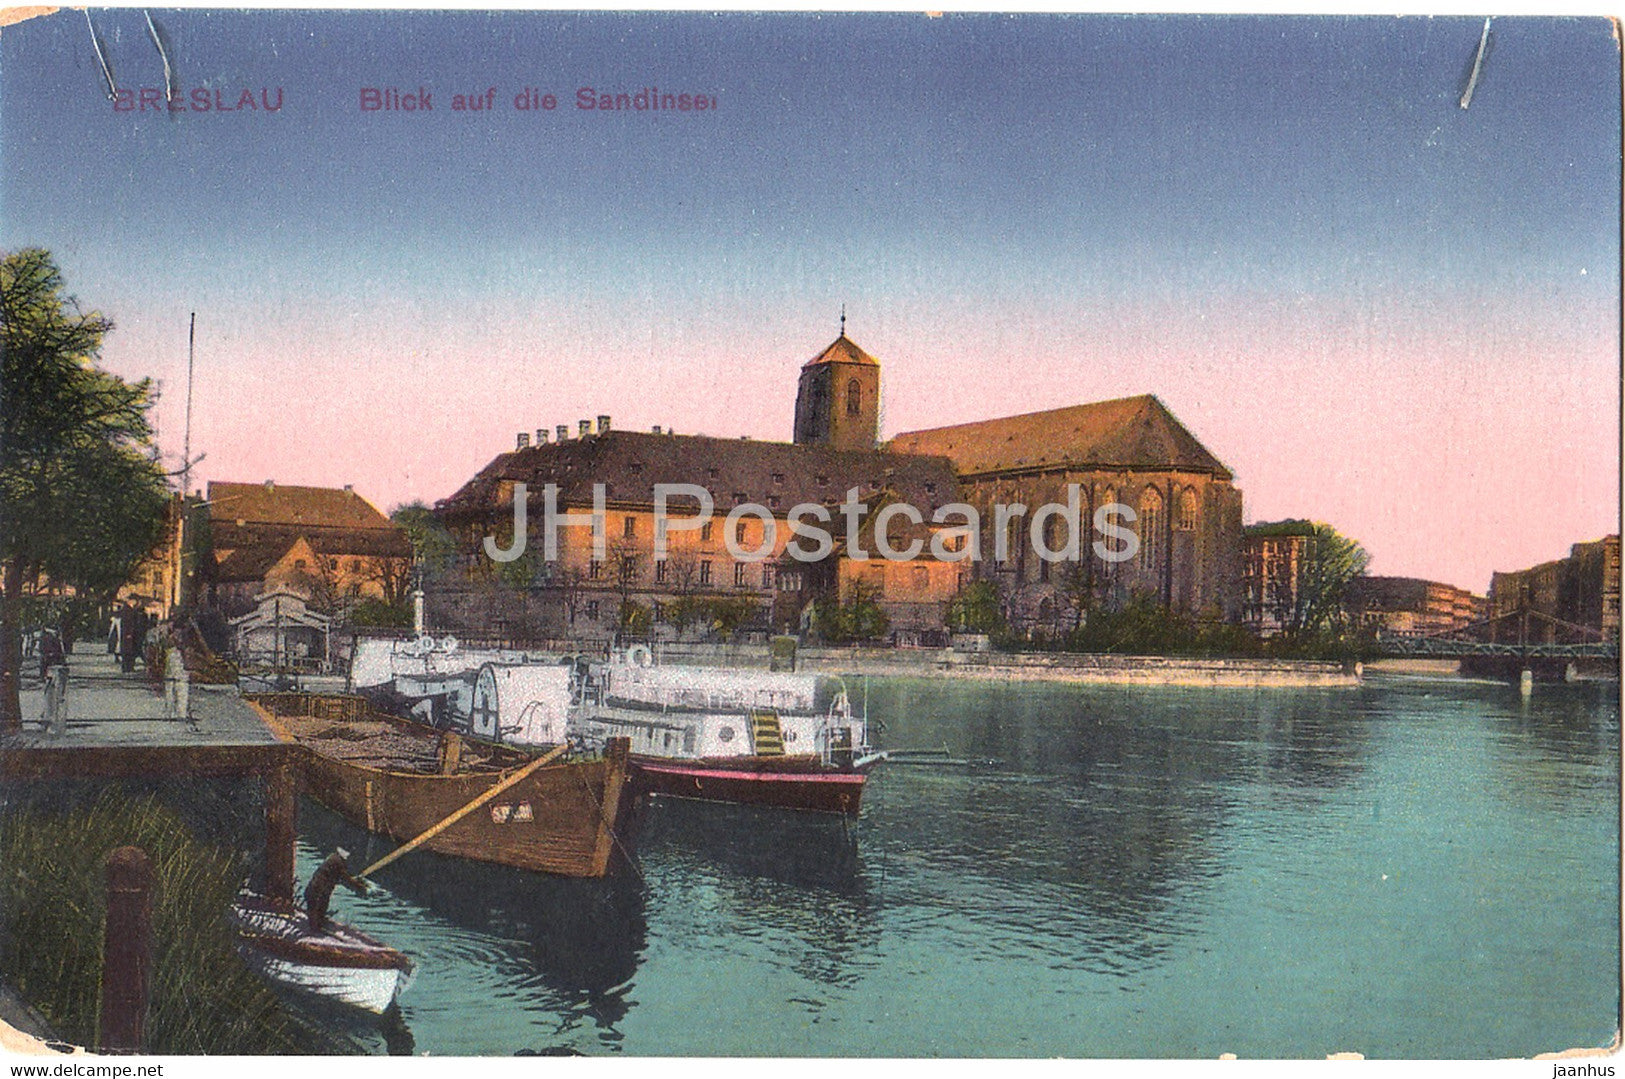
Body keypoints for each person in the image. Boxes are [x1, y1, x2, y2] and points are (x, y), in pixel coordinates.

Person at [304, 848, 370, 932]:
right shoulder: (338, 862)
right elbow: (345, 877)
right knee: (316, 906)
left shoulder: (333, 858)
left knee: (321, 904)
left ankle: (318, 923)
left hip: (319, 888)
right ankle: (315, 928)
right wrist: (359, 886)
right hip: (317, 889)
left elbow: (343, 878)